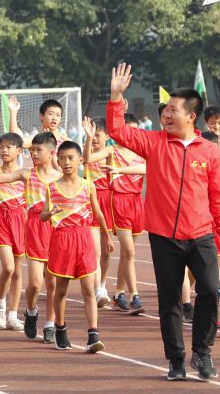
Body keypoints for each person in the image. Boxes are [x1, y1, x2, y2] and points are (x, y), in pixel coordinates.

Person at [106, 64, 220, 382]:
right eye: (165, 110)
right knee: (169, 300)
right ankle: (176, 359)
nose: (166, 114)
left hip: (201, 234)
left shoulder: (210, 151)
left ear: (191, 115)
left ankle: (203, 353)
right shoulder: (154, 143)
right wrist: (116, 97)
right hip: (164, 236)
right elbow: (118, 131)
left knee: (207, 292)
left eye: (173, 109)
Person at [0, 131, 61, 343]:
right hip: (35, 229)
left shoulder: (59, 178)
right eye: (32, 150)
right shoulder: (26, 174)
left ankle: (50, 325)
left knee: (53, 282)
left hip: (56, 230)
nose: (34, 154)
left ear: (51, 152)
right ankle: (30, 311)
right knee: (36, 284)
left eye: (39, 150)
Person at [41, 140, 115, 352]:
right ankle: (60, 328)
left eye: (71, 158)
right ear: (57, 160)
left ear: (80, 160)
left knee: (88, 289)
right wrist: (50, 213)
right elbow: (42, 217)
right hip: (62, 240)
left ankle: (93, 334)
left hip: (83, 238)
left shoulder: (87, 185)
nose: (66, 162)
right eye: (62, 158)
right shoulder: (52, 187)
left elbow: (98, 212)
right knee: (61, 290)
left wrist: (107, 235)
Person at [82, 116, 146, 316]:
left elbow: (148, 168)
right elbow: (86, 159)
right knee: (126, 251)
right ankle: (134, 295)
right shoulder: (112, 150)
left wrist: (122, 170)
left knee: (127, 253)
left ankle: (119, 293)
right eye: (128, 130)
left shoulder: (141, 152)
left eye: (135, 131)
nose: (131, 135)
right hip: (115, 201)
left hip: (136, 203)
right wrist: (89, 137)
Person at [0, 133, 27, 331]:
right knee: (8, 268)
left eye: (9, 147)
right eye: (1, 146)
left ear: (19, 151)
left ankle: (13, 314)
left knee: (17, 271)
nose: (4, 150)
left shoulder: (25, 173)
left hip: (20, 220)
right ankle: (0, 304)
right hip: (0, 219)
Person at [81, 117, 114, 307]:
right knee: (96, 250)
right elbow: (85, 158)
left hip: (107, 200)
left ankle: (102, 284)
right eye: (92, 136)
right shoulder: (85, 151)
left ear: (107, 136)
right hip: (91, 201)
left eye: (97, 136)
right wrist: (88, 138)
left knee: (107, 249)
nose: (94, 139)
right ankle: (98, 290)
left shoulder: (108, 153)